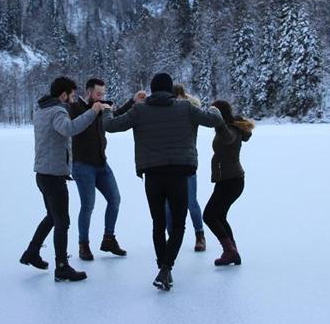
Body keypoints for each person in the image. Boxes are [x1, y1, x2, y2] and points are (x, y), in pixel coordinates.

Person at [103, 72, 223, 291]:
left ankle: (163, 268)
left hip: (153, 175)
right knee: (178, 224)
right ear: (170, 90)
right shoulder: (185, 107)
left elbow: (110, 126)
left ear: (152, 88)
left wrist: (107, 109)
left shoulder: (139, 110)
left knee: (158, 224)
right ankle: (166, 268)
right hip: (179, 174)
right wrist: (215, 108)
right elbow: (214, 120)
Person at [19, 76, 111, 282]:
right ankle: (61, 266)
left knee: (53, 217)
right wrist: (92, 112)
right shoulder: (58, 111)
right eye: (71, 94)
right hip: (53, 176)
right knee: (63, 222)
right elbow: (69, 129)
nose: (73, 98)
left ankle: (32, 252)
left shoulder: (42, 110)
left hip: (43, 174)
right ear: (63, 94)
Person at [69, 78, 143, 260]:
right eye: (98, 94)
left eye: (103, 94)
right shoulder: (75, 107)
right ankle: (83, 245)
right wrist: (93, 111)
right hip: (82, 165)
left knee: (115, 199)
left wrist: (133, 102)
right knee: (88, 205)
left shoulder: (101, 108)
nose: (101, 97)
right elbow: (74, 126)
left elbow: (115, 117)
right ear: (88, 92)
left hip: (101, 163)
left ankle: (108, 239)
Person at [203, 100, 254, 266]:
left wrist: (217, 121)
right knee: (219, 216)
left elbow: (227, 138)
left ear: (220, 114)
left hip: (231, 180)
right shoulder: (229, 127)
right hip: (227, 179)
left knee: (209, 216)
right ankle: (233, 252)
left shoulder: (231, 129)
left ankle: (230, 251)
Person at [164, 83, 207, 252]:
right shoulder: (165, 113)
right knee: (168, 204)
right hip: (168, 163)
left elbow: (208, 119)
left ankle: (199, 234)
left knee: (190, 201)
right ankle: (171, 236)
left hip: (187, 162)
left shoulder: (190, 110)